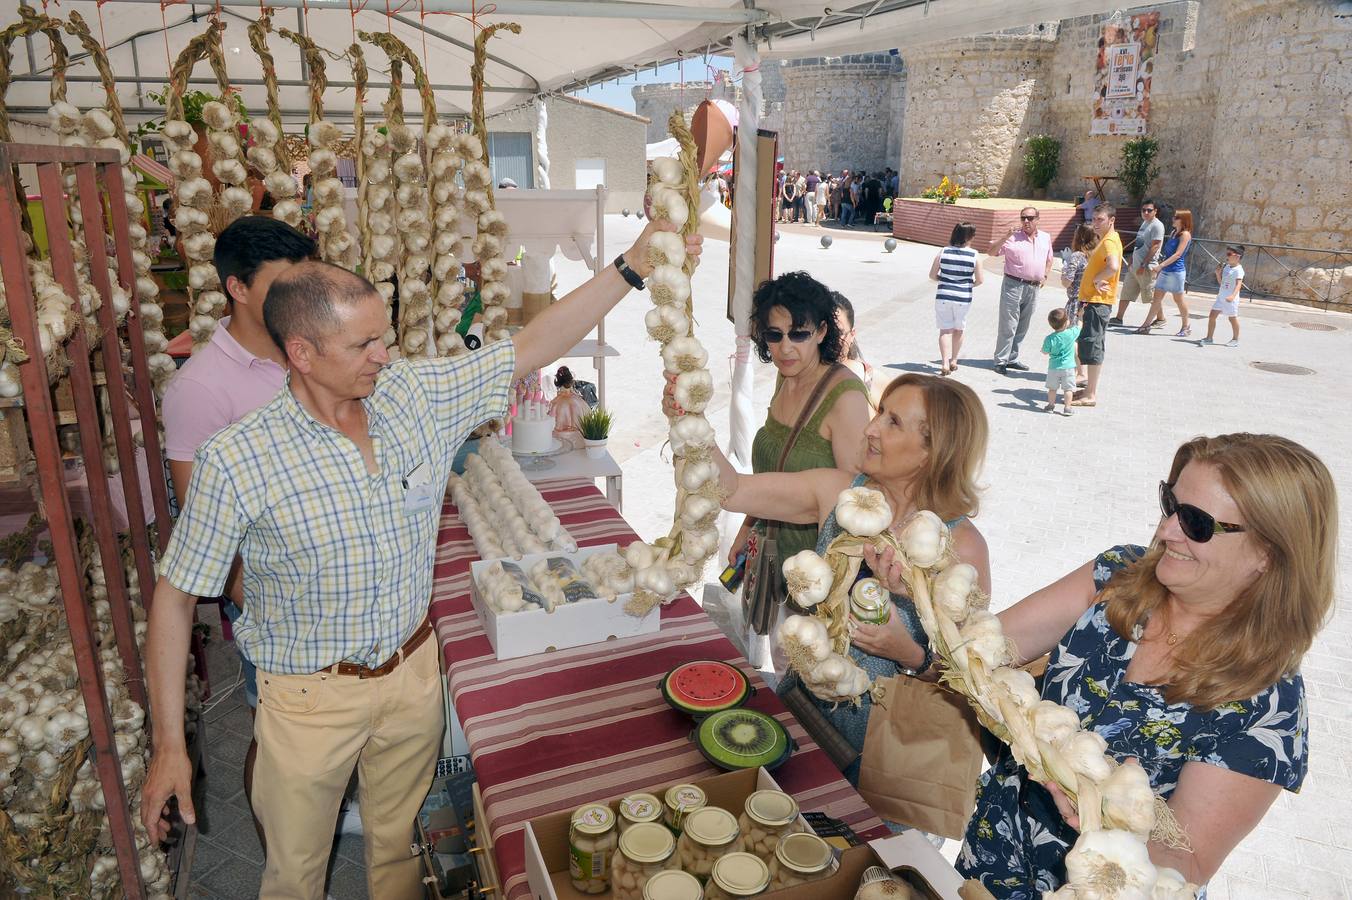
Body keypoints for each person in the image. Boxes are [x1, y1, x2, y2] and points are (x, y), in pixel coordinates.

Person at [141, 220, 703, 898]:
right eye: (364, 344)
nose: (385, 353)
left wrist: (630, 267)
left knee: (404, 854)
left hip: (411, 679)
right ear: (303, 353)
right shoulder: (240, 457)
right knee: (294, 873)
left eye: (384, 334)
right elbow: (174, 599)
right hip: (307, 698)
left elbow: (529, 345)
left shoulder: (415, 398)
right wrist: (169, 746)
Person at [959, 433, 1336, 896]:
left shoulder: (1268, 705)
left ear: (1267, 553)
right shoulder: (1118, 577)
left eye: (1196, 523)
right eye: (1170, 503)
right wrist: (922, 620)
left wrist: (1105, 823)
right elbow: (983, 649)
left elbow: (1187, 860)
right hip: (992, 852)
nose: (1166, 530)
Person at [714, 373, 992, 783]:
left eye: (892, 422)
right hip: (802, 724)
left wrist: (909, 654)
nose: (870, 429)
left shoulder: (963, 548)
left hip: (888, 766)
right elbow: (732, 490)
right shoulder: (841, 493)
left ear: (932, 452)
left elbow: (975, 681)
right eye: (880, 412)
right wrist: (691, 419)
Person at [160, 216, 317, 847]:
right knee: (276, 736)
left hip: (338, 580)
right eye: (283, 284)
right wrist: (265, 608)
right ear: (238, 288)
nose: (298, 298)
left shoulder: (307, 345)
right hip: (273, 601)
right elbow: (202, 525)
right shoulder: (200, 387)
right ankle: (277, 848)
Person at [723, 272, 871, 666]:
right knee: (780, 668)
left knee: (806, 681)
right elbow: (777, 467)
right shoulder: (786, 378)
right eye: (774, 335)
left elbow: (860, 505)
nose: (785, 347)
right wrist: (746, 526)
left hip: (818, 585)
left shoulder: (845, 397)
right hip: (775, 565)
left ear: (822, 331)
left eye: (798, 334)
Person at [990, 207, 1054, 375]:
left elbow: (1049, 259)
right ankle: (1001, 360)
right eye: (1023, 218)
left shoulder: (1045, 237)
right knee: (1008, 325)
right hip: (1013, 284)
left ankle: (1012, 358)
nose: (1026, 221)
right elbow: (991, 252)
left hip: (1033, 287)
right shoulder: (1012, 237)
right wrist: (1005, 236)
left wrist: (1045, 276)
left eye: (1030, 218)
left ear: (1038, 219)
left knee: (1023, 325)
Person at [1072, 205, 1122, 407]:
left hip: (1098, 301)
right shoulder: (1110, 239)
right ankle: (1089, 389)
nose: (1095, 223)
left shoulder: (1109, 242)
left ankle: (1090, 394)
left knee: (1093, 346)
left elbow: (1113, 266)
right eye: (1094, 219)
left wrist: (1096, 281)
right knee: (1093, 344)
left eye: (1100, 219)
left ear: (1111, 220)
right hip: (1095, 301)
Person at [929, 222, 982, 375]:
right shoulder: (974, 254)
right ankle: (954, 360)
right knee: (959, 328)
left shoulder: (943, 251)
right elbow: (980, 280)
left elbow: (932, 275)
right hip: (963, 297)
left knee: (945, 330)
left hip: (944, 295)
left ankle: (944, 363)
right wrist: (967, 284)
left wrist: (944, 280)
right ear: (970, 236)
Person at [1112, 199, 1164, 330]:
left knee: (1150, 295)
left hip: (1146, 267)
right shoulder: (1145, 223)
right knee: (1126, 292)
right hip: (1135, 265)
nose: (1146, 212)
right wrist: (1131, 259)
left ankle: (1161, 318)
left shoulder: (1157, 225)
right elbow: (1139, 243)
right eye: (1144, 210)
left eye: (1149, 210)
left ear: (1155, 211)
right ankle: (1119, 318)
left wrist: (1143, 264)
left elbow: (1155, 246)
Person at [1147, 210, 1194, 337]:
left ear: (1184, 220)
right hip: (1166, 270)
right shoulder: (1174, 233)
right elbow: (1168, 253)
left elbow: (1178, 254)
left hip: (1176, 272)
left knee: (1178, 299)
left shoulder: (1185, 235)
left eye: (1177, 217)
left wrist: (1160, 266)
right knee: (1157, 298)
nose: (1173, 219)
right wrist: (1161, 267)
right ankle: (1145, 325)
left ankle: (1186, 326)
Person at [833, 292, 874, 400]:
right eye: (824, 330)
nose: (830, 339)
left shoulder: (867, 378)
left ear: (852, 334)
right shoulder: (797, 378)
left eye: (839, 332)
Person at [1202, 246, 1245, 347]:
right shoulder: (1226, 267)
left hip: (1231, 299)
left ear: (1237, 257)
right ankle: (1209, 338)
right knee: (1212, 316)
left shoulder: (1239, 270)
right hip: (1221, 297)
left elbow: (1239, 285)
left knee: (1232, 319)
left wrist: (1232, 296)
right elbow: (1222, 283)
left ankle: (1235, 339)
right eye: (1227, 254)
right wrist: (1218, 274)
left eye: (1229, 254)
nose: (1227, 256)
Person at [1041, 307, 1079, 416]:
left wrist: (1044, 350)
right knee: (1068, 389)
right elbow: (1079, 326)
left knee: (1052, 389)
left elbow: (1044, 351)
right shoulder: (1071, 333)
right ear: (1067, 322)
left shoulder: (1049, 338)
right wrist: (1079, 316)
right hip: (1068, 368)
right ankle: (1067, 408)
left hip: (1054, 368)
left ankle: (1050, 406)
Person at [1060, 223, 1098, 327]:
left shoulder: (1076, 256)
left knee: (1073, 337)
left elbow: (1067, 282)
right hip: (1092, 301)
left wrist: (1065, 265)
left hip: (1077, 303)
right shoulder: (1097, 256)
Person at [548, 365, 592, 447]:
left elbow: (549, 424)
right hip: (580, 441)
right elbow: (588, 416)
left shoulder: (555, 403)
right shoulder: (579, 402)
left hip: (561, 442)